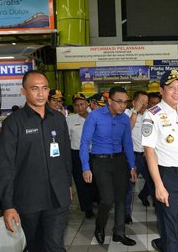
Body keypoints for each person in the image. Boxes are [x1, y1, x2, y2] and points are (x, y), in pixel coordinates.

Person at [0, 70, 72, 252]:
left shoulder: (59, 119)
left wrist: (68, 185)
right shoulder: (14, 123)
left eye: (44, 88)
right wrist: (8, 205)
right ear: (24, 91)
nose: (40, 93)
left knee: (55, 246)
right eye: (34, 88)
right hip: (28, 199)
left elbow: (65, 156)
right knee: (35, 247)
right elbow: (5, 166)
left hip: (57, 197)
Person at [142, 70, 178, 252]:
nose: (176, 91)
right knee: (170, 227)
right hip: (168, 177)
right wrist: (158, 185)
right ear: (161, 90)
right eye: (171, 87)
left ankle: (164, 244)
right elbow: (149, 152)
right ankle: (169, 244)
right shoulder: (152, 115)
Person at [80, 86, 138, 246]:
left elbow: (127, 143)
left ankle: (119, 233)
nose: (123, 105)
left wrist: (132, 165)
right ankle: (100, 227)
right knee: (107, 198)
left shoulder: (125, 119)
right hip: (100, 161)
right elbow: (84, 142)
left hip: (119, 161)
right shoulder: (95, 116)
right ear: (109, 101)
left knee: (121, 198)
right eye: (119, 102)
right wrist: (85, 167)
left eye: (125, 102)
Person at [66, 93, 98, 219]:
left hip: (95, 153)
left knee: (96, 180)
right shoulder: (70, 120)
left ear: (87, 104)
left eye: (82, 104)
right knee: (81, 182)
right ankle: (87, 208)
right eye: (77, 105)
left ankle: (96, 200)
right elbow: (67, 139)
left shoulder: (95, 116)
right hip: (77, 155)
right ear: (74, 107)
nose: (80, 107)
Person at [124, 91, 151, 225]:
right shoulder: (126, 114)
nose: (144, 104)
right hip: (132, 155)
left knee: (152, 181)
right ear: (134, 102)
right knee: (130, 185)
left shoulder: (149, 115)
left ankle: (144, 195)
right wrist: (135, 110)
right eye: (141, 101)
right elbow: (128, 129)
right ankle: (127, 214)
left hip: (147, 155)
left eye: (146, 102)